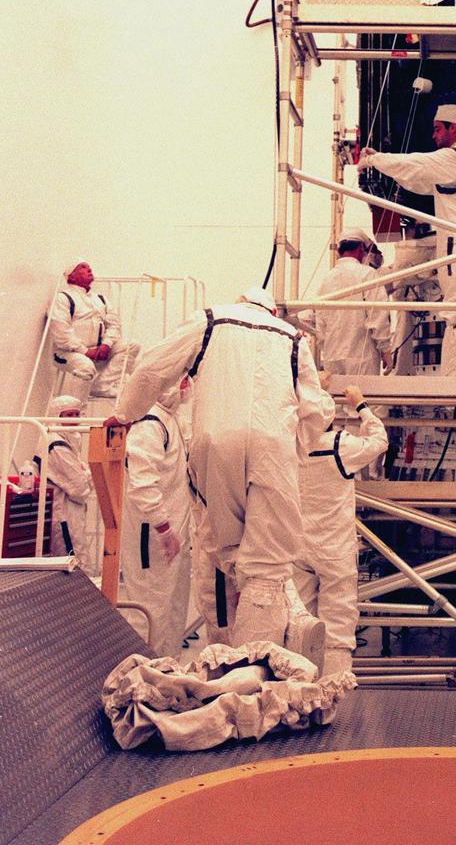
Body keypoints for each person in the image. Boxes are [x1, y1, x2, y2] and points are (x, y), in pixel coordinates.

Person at [111, 286, 332, 663]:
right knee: (266, 564)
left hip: (215, 444)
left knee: (222, 551)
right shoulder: (293, 339)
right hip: (273, 448)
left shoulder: (210, 320)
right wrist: (293, 451)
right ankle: (254, 670)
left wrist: (124, 413)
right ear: (273, 311)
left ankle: (226, 656)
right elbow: (316, 412)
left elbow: (152, 368)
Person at [359, 104, 456, 377]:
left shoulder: (452, 158)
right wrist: (389, 168)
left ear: (452, 127)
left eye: (437, 129)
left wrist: (375, 160)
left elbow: (416, 163)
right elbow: (419, 180)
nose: (433, 135)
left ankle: (451, 382)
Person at [292, 383, 389, 694]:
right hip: (333, 548)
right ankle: (332, 690)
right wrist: (361, 405)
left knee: (300, 622)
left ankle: (298, 690)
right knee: (337, 624)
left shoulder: (288, 444)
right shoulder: (339, 446)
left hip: (297, 545)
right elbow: (379, 440)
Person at [119, 377, 193, 658]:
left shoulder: (169, 419)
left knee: (173, 609)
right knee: (150, 611)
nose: (187, 388)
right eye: (183, 381)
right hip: (152, 537)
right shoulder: (149, 423)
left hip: (172, 535)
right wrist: (163, 528)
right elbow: (142, 484)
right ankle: (142, 679)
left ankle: (166, 674)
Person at [49, 261, 140, 400]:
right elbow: (61, 331)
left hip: (98, 351)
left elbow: (114, 325)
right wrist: (85, 351)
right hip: (68, 353)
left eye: (89, 267)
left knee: (131, 345)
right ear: (71, 277)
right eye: (83, 267)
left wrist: (106, 344)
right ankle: (76, 415)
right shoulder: (63, 298)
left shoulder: (101, 299)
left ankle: (102, 386)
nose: (89, 269)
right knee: (86, 367)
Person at [313, 229, 394, 376]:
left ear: (339, 251)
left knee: (337, 398)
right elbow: (378, 316)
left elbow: (320, 322)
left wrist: (327, 347)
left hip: (332, 356)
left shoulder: (327, 279)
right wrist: (386, 350)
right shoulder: (367, 274)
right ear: (361, 248)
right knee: (361, 397)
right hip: (361, 357)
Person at [40, 395, 94, 565]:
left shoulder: (65, 442)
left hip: (70, 514)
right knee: (75, 563)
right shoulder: (56, 445)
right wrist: (89, 474)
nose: (74, 420)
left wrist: (84, 474)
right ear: (57, 416)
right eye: (68, 415)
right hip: (63, 514)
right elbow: (80, 489)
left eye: (76, 415)